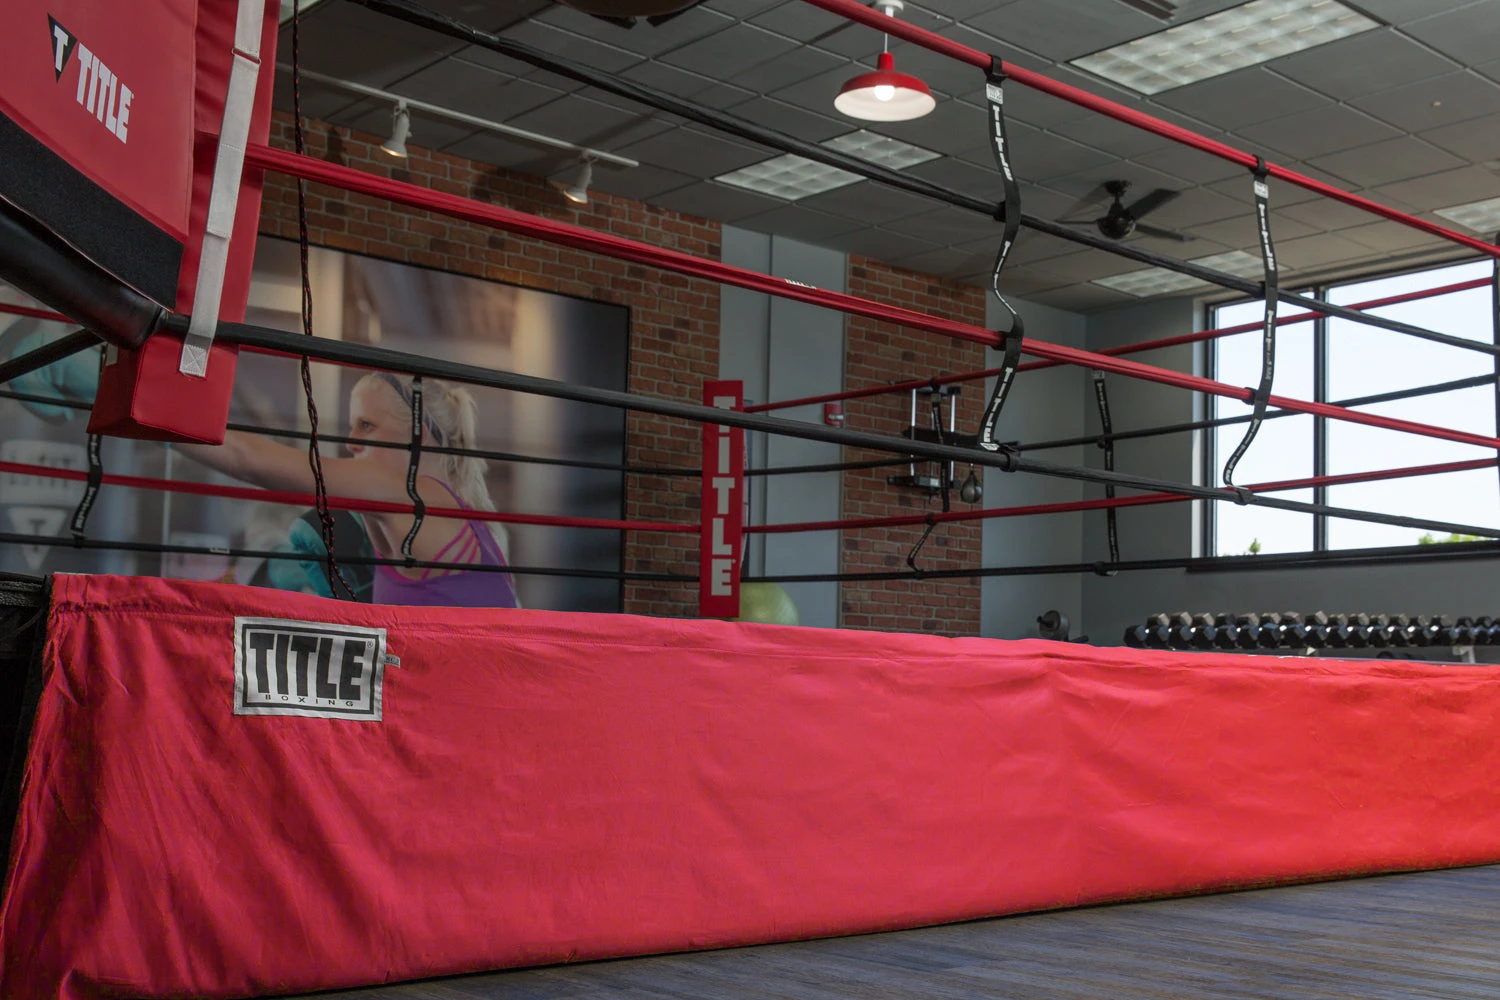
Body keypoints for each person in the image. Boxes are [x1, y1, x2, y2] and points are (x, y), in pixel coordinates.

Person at [182, 372, 520, 608]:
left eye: (367, 426)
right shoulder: (443, 511)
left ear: (418, 436)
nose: (350, 442)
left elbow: (247, 457)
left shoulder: (416, 496)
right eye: (351, 426)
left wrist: (167, 422)